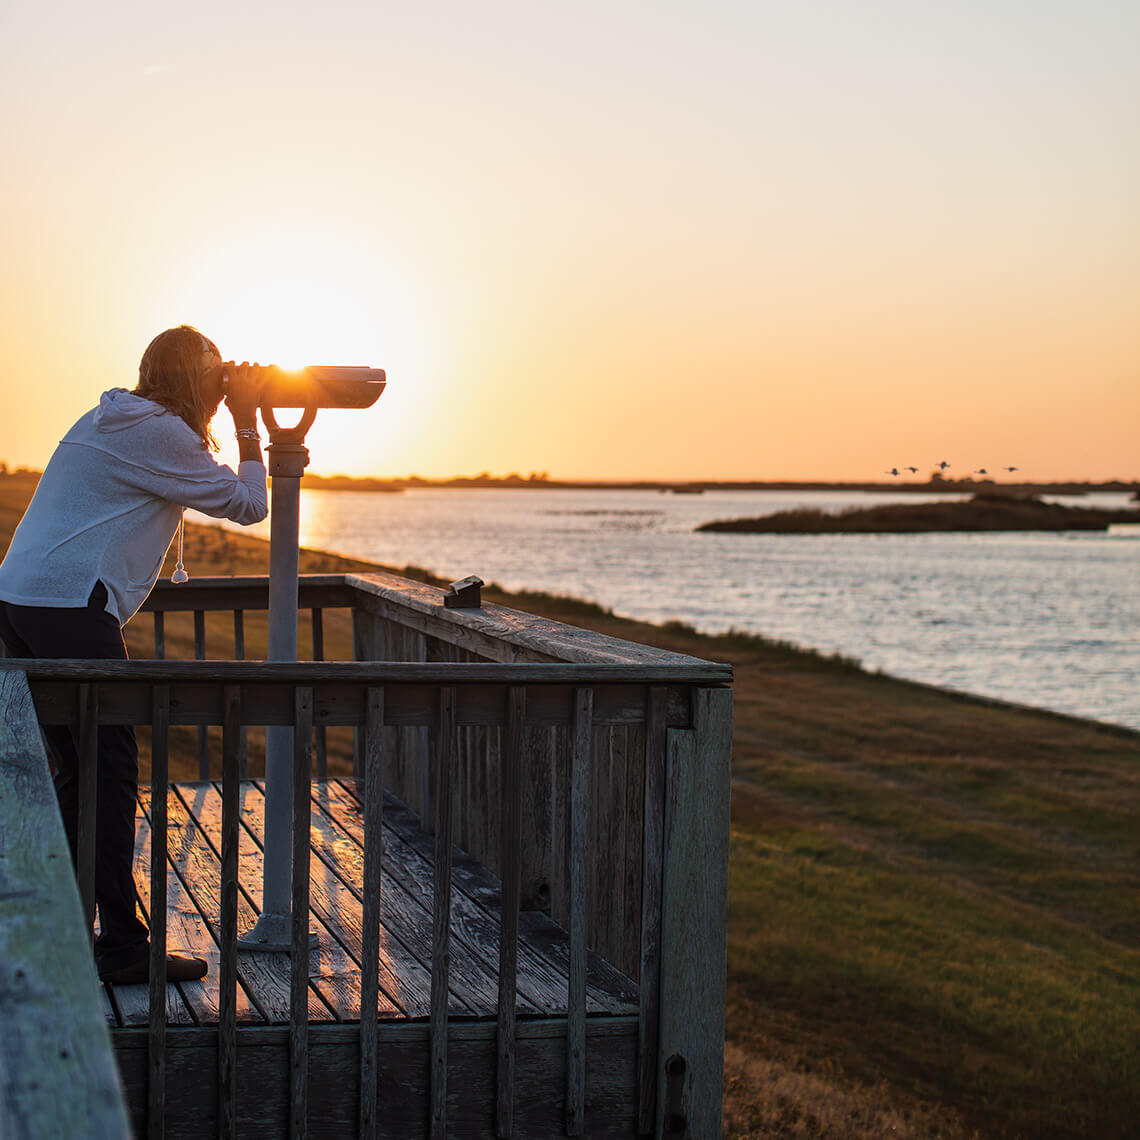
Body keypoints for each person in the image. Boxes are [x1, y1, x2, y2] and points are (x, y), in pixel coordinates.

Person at [0, 325, 268, 984]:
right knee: (110, 772)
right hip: (66, 608)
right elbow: (250, 504)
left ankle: (55, 925)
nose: (223, 378)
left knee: (77, 771)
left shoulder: (113, 417)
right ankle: (120, 944)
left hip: (20, 602)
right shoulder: (160, 433)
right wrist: (249, 423)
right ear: (192, 377)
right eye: (216, 369)